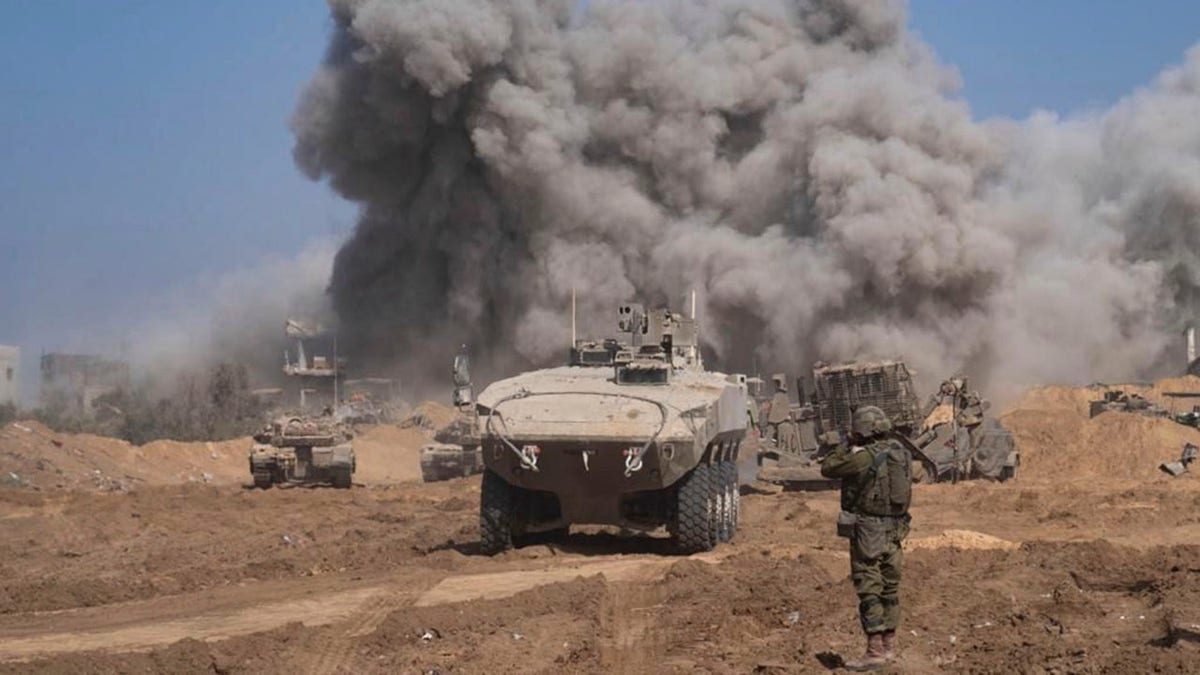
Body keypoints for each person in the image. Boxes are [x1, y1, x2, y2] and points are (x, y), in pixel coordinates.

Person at [820, 406, 913, 671]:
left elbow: (828, 468)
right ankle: (889, 648)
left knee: (869, 588)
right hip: (895, 529)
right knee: (890, 589)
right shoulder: (900, 453)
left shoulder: (863, 458)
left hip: (868, 531)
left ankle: (874, 652)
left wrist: (845, 445)